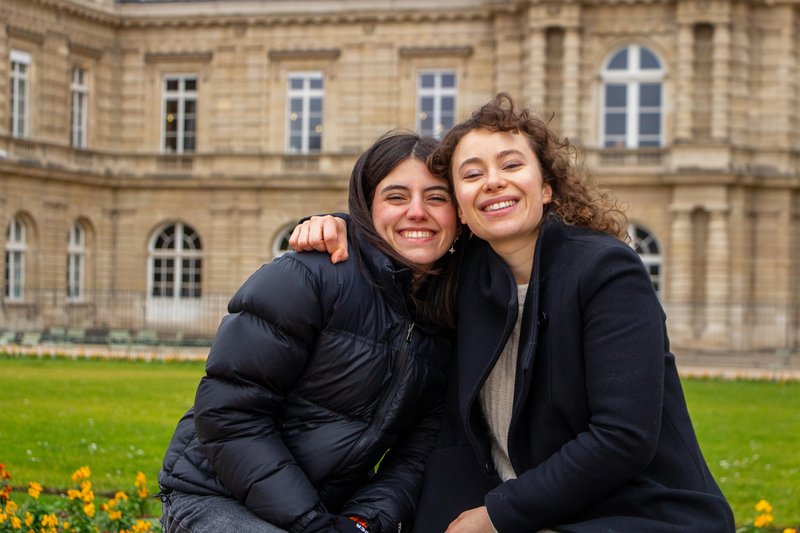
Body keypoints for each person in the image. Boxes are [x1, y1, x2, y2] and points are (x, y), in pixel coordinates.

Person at [290, 93, 735, 532]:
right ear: (461, 208)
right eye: (472, 173)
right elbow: (407, 238)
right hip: (523, 507)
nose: (493, 181)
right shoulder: (464, 279)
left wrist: (496, 517)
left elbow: (622, 438)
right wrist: (339, 223)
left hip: (635, 512)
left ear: (546, 187)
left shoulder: (604, 269)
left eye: (511, 165)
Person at [157, 130, 462, 533]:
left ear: (459, 215)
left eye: (436, 197)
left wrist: (362, 521)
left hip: (326, 512)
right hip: (217, 495)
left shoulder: (446, 313)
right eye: (396, 196)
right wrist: (312, 523)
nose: (418, 211)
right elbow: (229, 415)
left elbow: (416, 453)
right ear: (367, 208)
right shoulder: (309, 276)